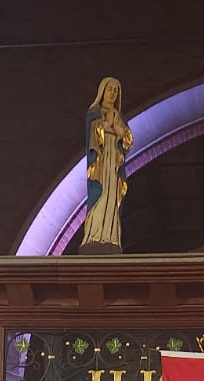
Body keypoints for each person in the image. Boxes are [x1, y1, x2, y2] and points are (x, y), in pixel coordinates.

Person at [83, 77, 132, 252]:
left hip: (114, 164)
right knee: (100, 194)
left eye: (115, 90)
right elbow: (92, 135)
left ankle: (111, 236)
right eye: (109, 89)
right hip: (102, 161)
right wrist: (104, 125)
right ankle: (94, 234)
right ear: (102, 91)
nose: (112, 93)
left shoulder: (119, 117)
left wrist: (119, 130)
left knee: (113, 196)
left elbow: (128, 141)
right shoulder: (94, 113)